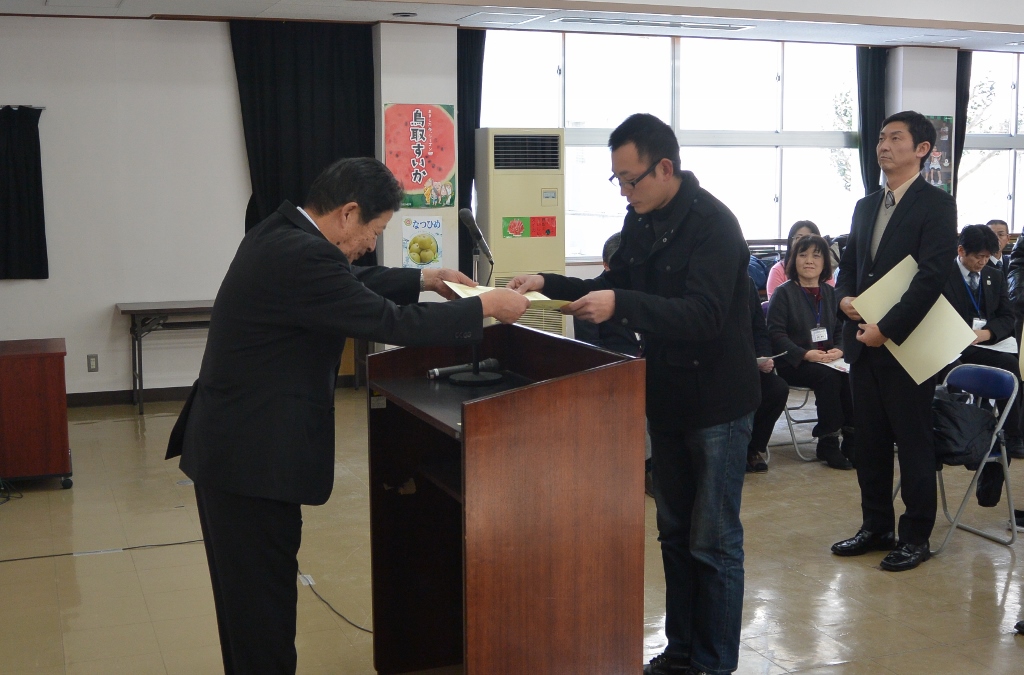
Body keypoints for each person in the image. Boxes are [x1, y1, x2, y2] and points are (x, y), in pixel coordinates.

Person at [166, 157, 530, 674]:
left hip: (233, 453)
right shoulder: (304, 256)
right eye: (374, 231)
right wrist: (484, 308)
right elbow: (389, 321)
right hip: (250, 465)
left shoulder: (281, 233)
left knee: (248, 615)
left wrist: (425, 277)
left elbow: (350, 279)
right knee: (262, 621)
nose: (369, 245)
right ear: (348, 212)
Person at [509, 113, 759, 675]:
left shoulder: (715, 225)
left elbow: (704, 315)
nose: (624, 191)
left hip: (718, 403)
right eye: (617, 180)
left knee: (713, 542)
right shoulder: (642, 220)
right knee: (674, 534)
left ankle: (714, 663)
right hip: (667, 397)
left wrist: (622, 305)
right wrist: (547, 284)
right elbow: (612, 284)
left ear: (664, 168)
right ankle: (681, 652)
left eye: (630, 179)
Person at [832, 110, 957, 572]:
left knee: (913, 441)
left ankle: (915, 536)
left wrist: (887, 328)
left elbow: (931, 276)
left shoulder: (936, 204)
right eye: (881, 138)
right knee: (869, 443)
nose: (883, 146)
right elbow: (849, 268)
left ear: (922, 149)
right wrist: (844, 299)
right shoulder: (866, 205)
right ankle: (876, 526)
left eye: (895, 138)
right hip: (862, 340)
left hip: (907, 344)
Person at [572, 232, 652, 493]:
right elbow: (591, 349)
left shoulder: (644, 289)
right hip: (616, 371)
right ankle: (645, 469)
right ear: (606, 265)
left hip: (649, 364)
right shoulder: (590, 296)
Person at [767, 234, 854, 470]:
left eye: (816, 255)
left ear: (825, 262)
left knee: (851, 373)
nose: (809, 261)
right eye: (803, 255)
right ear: (793, 260)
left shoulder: (830, 293)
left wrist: (839, 349)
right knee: (828, 377)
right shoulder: (783, 293)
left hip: (828, 360)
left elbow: (840, 330)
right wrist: (805, 354)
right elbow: (776, 335)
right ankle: (828, 441)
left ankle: (852, 439)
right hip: (793, 363)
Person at [941, 224, 1024, 458]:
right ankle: (957, 434)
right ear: (961, 251)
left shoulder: (993, 275)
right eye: (979, 256)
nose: (983, 262)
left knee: (1011, 365)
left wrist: (987, 333)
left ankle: (1013, 434)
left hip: (983, 343)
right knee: (953, 369)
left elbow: (1007, 316)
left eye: (988, 257)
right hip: (950, 345)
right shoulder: (942, 275)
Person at [747, 278, 789, 474]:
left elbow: (760, 330)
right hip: (720, 365)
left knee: (777, 388)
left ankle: (752, 447)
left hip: (749, 364)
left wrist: (764, 356)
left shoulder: (747, 284)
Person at [765, 220, 835, 298]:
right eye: (799, 237)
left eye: (809, 237)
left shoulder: (829, 290)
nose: (805, 241)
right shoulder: (779, 277)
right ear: (791, 241)